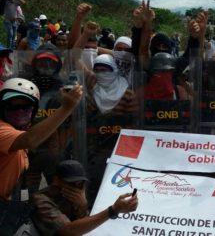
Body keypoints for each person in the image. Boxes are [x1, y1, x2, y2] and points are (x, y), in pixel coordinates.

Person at [0, 77, 82, 234]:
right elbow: (31, 140)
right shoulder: (3, 131)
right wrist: (67, 107)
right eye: (12, 106)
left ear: (34, 110)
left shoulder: (20, 133)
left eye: (26, 107)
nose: (20, 111)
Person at [30, 159, 138, 236]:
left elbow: (84, 227)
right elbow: (68, 230)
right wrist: (112, 210)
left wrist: (82, 207)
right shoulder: (41, 199)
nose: (77, 189)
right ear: (57, 181)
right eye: (72, 184)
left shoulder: (76, 198)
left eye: (80, 184)